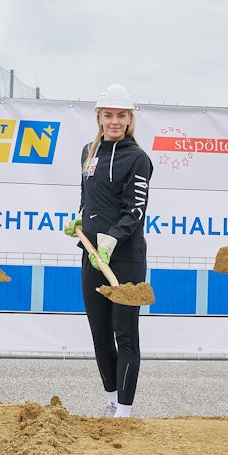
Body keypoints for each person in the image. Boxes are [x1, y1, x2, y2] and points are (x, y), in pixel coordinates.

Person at [64, 83, 154, 418]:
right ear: (99, 117)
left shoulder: (138, 158)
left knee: (124, 335)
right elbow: (88, 197)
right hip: (92, 255)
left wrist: (112, 239)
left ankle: (125, 413)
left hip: (125, 259)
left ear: (130, 119)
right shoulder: (88, 152)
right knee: (100, 334)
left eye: (121, 115)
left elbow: (136, 210)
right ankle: (112, 401)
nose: (114, 121)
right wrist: (80, 219)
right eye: (108, 115)